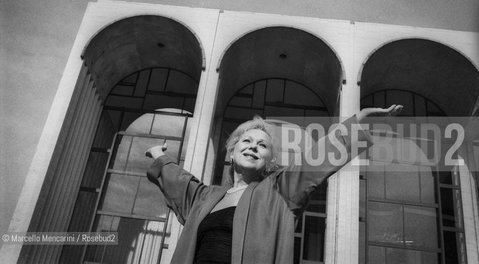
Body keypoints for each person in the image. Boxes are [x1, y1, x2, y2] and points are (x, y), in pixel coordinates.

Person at [145, 105, 403, 264]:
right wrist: (159, 154)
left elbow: (315, 161)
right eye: (246, 142)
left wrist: (359, 120)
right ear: (232, 152)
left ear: (270, 160)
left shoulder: (279, 190)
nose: (253, 147)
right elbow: (178, 181)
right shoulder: (205, 197)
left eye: (262, 145)